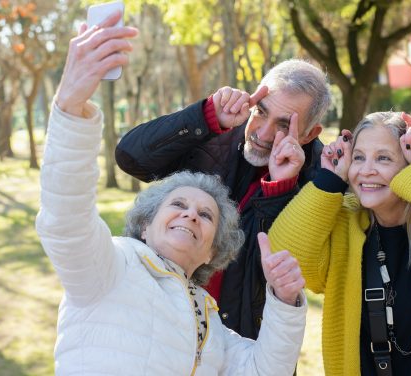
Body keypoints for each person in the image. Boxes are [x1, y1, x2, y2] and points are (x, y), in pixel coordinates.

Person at [36, 12, 308, 375]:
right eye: (178, 203)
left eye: (206, 215)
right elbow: (65, 220)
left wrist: (285, 301)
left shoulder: (209, 324)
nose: (191, 214)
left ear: (214, 251)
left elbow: (265, 369)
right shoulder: (110, 268)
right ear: (145, 226)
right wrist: (70, 109)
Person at [267, 111, 411, 375]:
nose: (367, 170)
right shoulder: (345, 223)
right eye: (358, 157)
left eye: (383, 158)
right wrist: (329, 180)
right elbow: (284, 256)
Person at [115, 56, 331, 339]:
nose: (263, 133)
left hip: (247, 346)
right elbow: (131, 158)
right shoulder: (217, 133)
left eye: (282, 125)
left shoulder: (319, 181)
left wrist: (280, 187)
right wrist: (206, 116)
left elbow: (272, 269)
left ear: (309, 133)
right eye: (261, 112)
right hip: (169, 328)